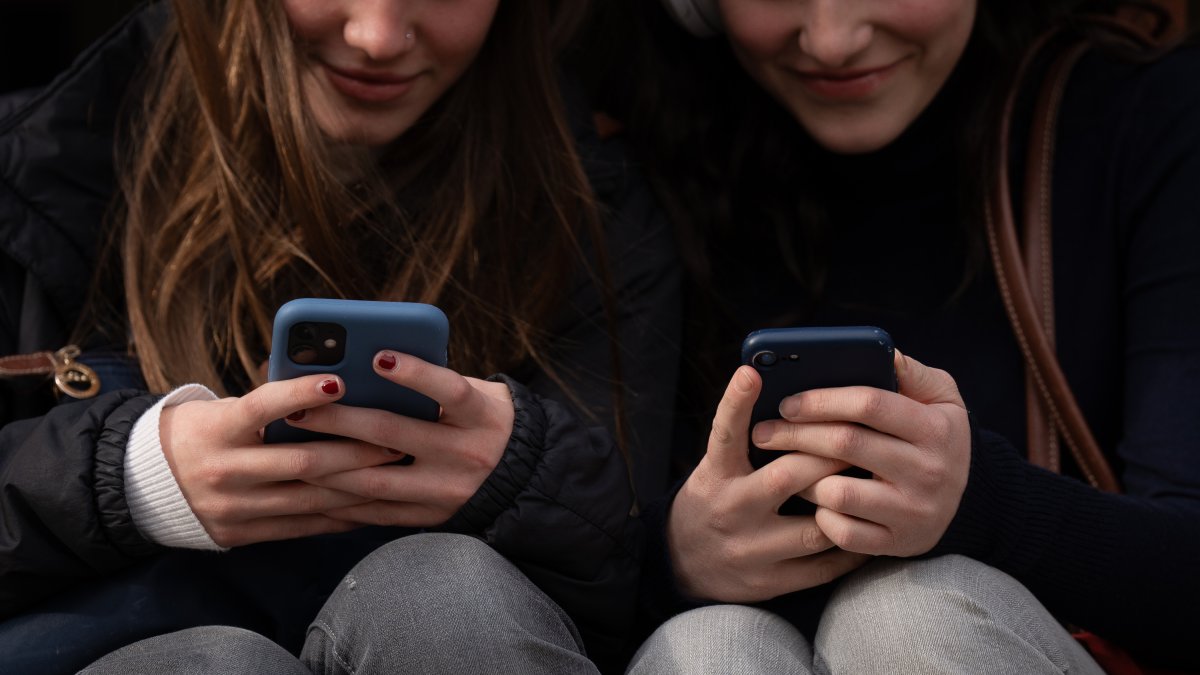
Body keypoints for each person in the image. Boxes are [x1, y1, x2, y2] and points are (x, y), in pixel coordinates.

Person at [0, 0, 680, 673]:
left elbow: (636, 590)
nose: (377, 37)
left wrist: (527, 474)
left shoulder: (594, 210)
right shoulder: (41, 166)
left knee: (450, 594)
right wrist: (129, 474)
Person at [568, 0, 1200, 672]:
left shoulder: (1148, 118)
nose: (833, 41)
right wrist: (677, 559)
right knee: (707, 647)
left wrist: (980, 500)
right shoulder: (626, 148)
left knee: (906, 619)